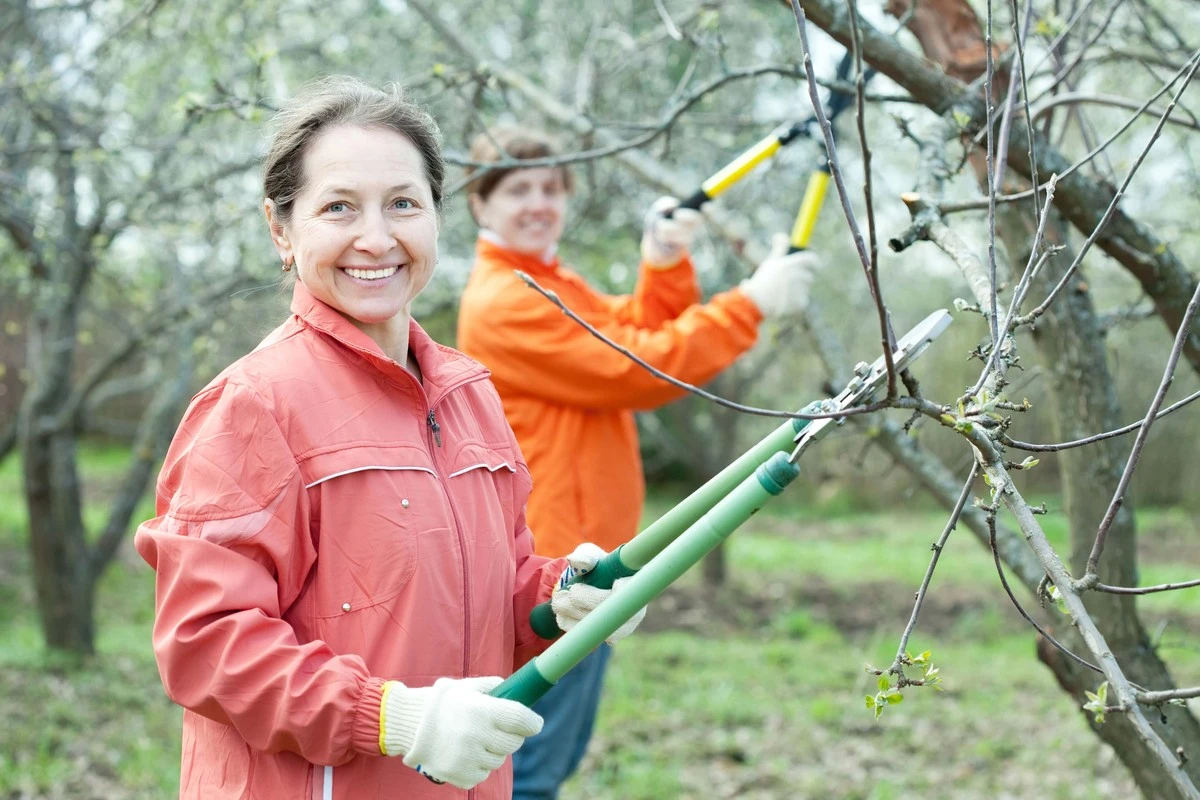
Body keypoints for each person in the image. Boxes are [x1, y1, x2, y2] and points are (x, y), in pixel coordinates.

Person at [135, 77, 642, 800]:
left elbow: (490, 590)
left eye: (403, 203)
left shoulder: (469, 394)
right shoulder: (252, 407)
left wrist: (560, 598)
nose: (376, 238)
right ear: (282, 229)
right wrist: (391, 717)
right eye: (339, 207)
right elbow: (204, 644)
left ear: (438, 217)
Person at [457, 127, 820, 800]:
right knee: (527, 773)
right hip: (553, 566)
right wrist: (753, 304)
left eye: (551, 189)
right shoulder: (505, 301)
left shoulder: (546, 283)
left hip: (585, 559)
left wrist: (663, 260)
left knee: (542, 766)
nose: (539, 203)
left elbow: (635, 331)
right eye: (518, 191)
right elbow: (640, 367)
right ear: (481, 205)